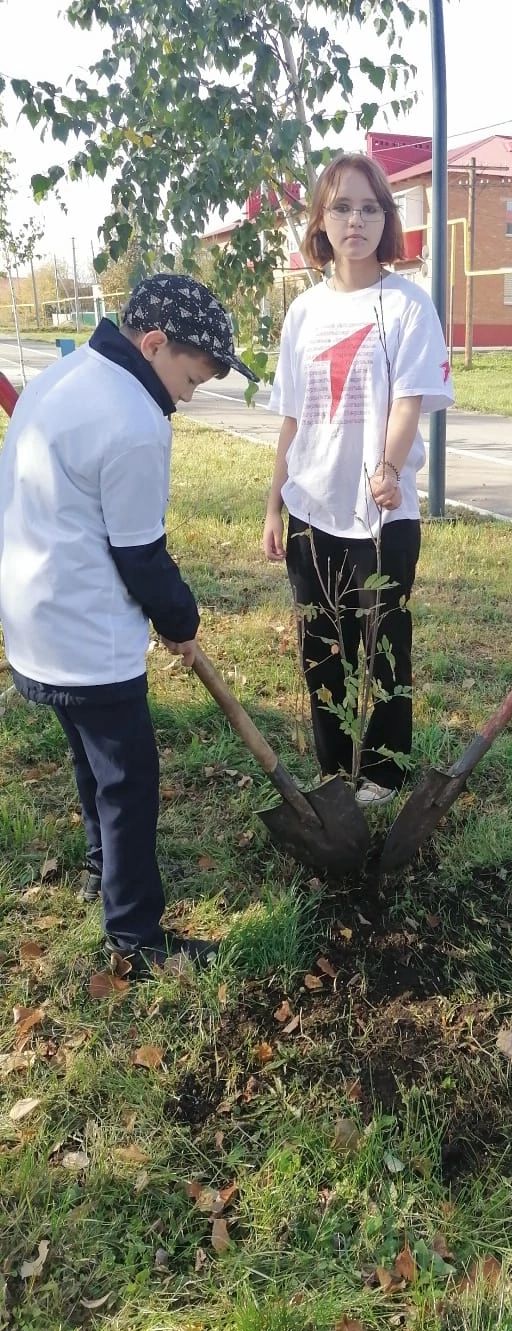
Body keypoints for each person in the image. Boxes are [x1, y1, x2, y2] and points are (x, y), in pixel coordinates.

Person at [0, 274, 258, 977]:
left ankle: (99, 870)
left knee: (92, 762)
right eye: (191, 376)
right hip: (86, 636)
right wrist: (181, 619)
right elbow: (141, 553)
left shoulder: (66, 377)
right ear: (153, 344)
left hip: (32, 624)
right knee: (129, 782)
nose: (189, 394)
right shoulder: (135, 421)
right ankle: (136, 937)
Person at [263, 152, 453, 805]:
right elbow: (291, 417)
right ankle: (336, 771)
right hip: (310, 511)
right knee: (321, 647)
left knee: (381, 648)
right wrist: (273, 505)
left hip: (381, 516)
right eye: (343, 206)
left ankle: (386, 771)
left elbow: (410, 399)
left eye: (370, 207)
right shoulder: (304, 314)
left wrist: (390, 467)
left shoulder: (405, 305)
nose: (356, 220)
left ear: (386, 219)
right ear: (321, 218)